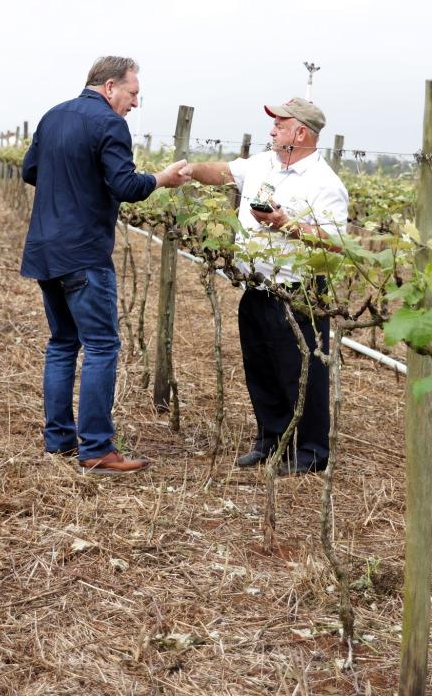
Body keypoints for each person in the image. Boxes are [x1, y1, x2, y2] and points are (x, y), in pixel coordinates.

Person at [22, 56, 190, 474]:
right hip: (83, 254)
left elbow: (30, 171)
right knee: (101, 346)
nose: (135, 103)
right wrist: (161, 179)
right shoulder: (109, 124)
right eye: (133, 93)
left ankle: (58, 439)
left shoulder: (52, 116)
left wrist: (73, 182)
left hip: (45, 249)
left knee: (62, 344)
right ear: (111, 86)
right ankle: (96, 448)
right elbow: (126, 186)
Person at [183, 97, 347, 474]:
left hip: (300, 293)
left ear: (301, 132)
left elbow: (336, 241)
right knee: (262, 369)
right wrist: (190, 170)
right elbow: (223, 172)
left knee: (302, 374)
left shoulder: (325, 183)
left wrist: (284, 224)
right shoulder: (263, 164)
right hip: (257, 288)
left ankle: (310, 453)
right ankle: (270, 440)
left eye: (279, 124)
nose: (271, 131)